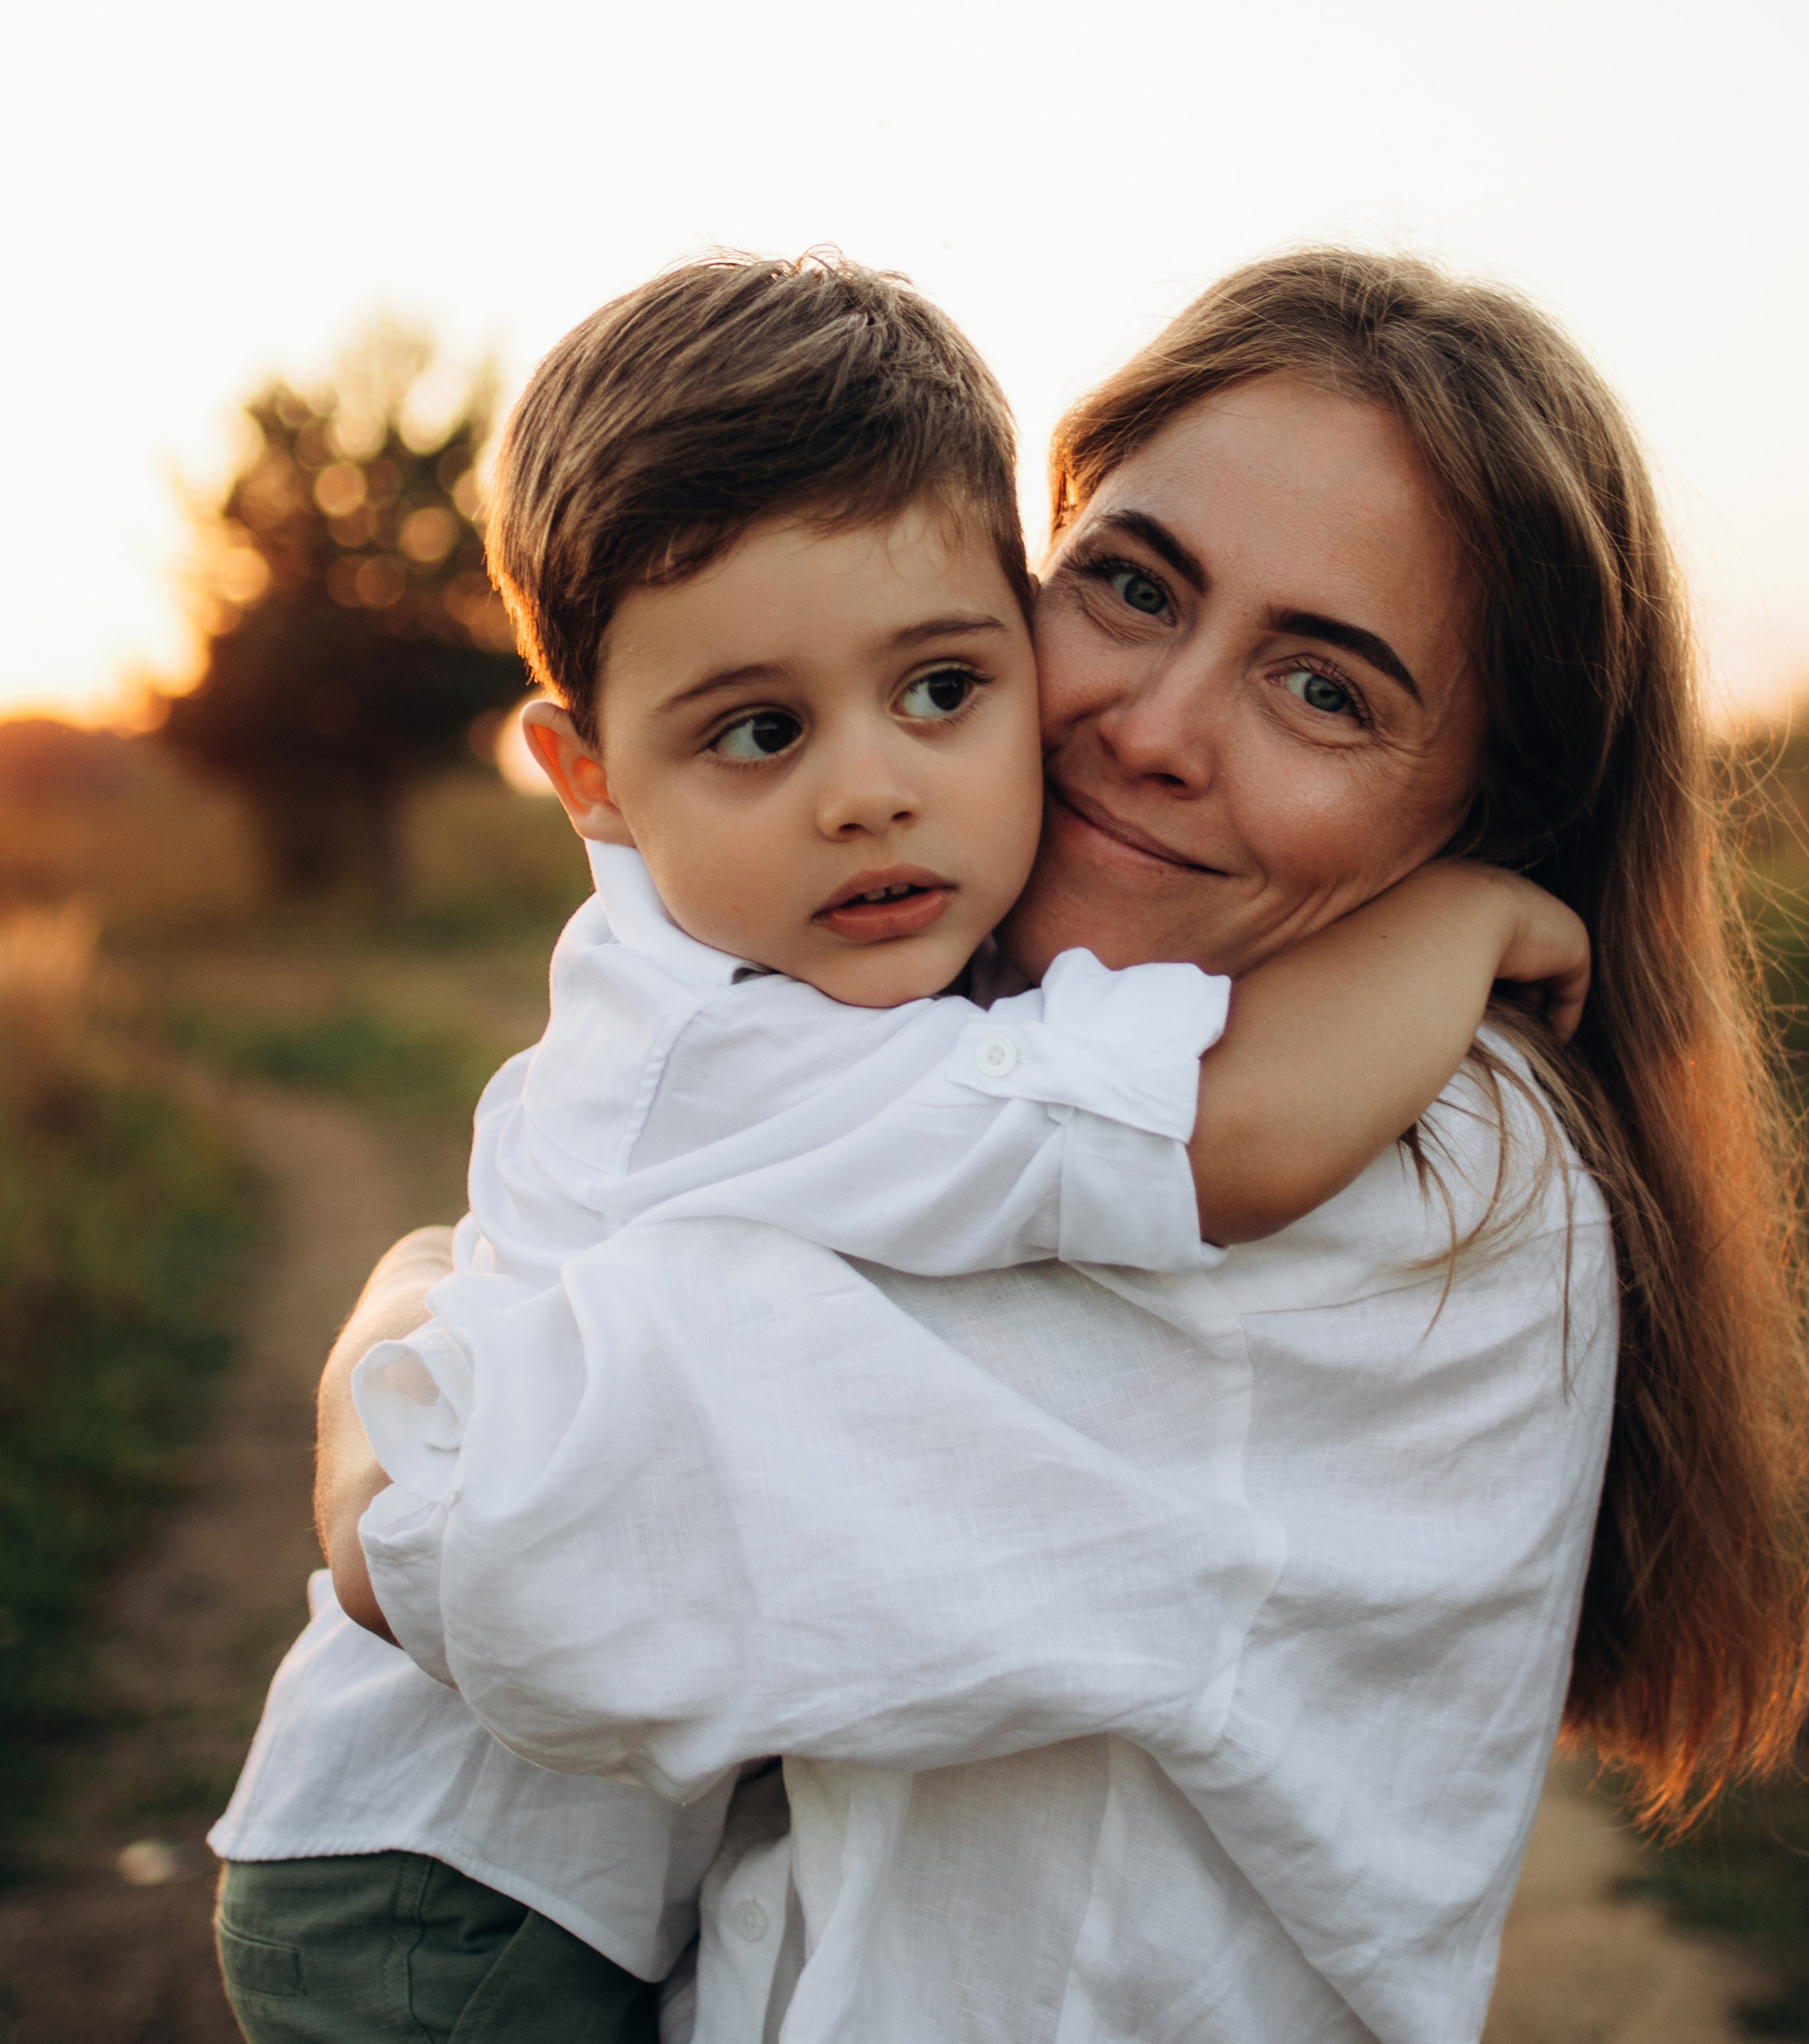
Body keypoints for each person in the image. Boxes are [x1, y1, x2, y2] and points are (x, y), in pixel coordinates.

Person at [209, 255, 1588, 2042]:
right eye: (1131, 586)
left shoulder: (1425, 1181)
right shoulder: (814, 1032)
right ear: (587, 774)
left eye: (1323, 686)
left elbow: (469, 1526)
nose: (1152, 732)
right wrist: (1465, 919)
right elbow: (1199, 1136)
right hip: (453, 1891)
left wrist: (399, 1336)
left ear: (1492, 783)